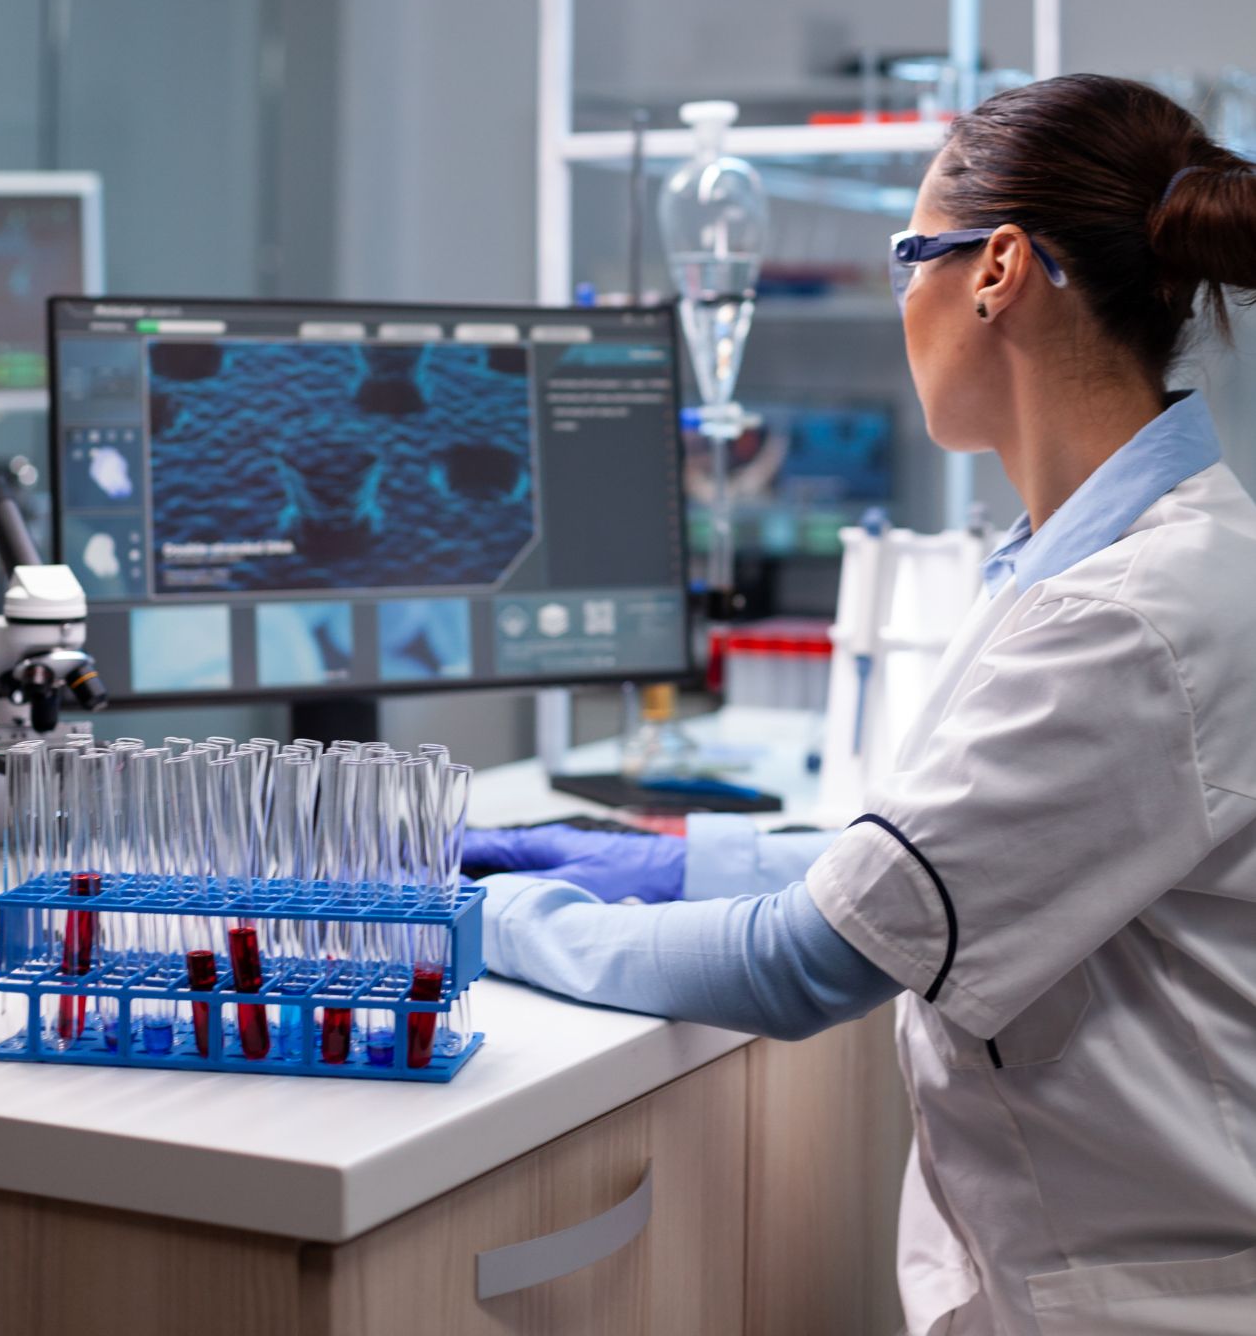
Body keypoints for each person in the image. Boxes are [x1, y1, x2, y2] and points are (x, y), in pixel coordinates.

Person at [466, 75, 1256, 1336]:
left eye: (907, 257)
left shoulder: (1133, 611)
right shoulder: (1095, 557)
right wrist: (640, 863)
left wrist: (480, 919)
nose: (902, 303)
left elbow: (804, 958)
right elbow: (913, 866)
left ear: (995, 269)